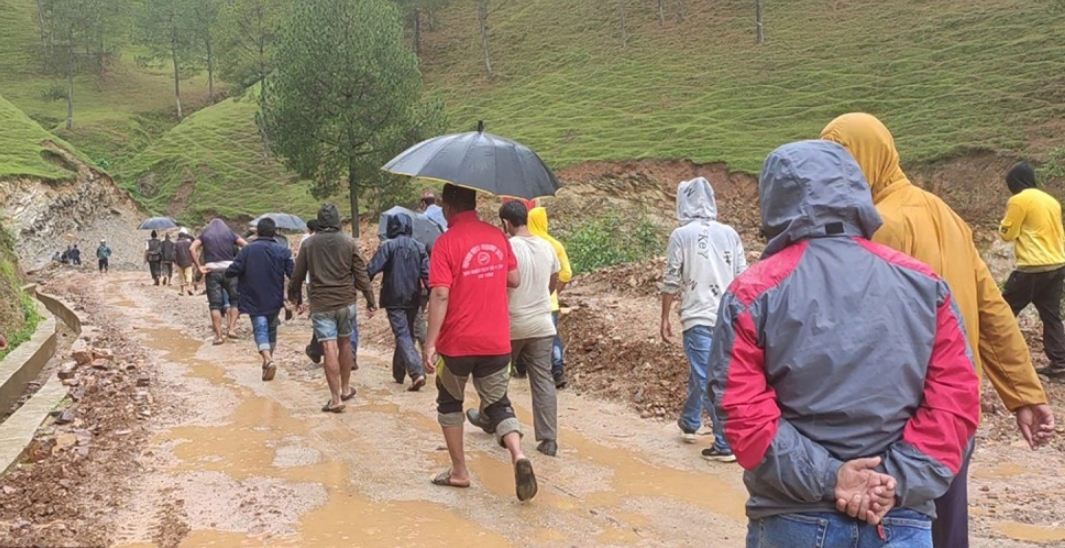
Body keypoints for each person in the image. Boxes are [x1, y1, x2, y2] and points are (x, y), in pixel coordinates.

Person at [711, 140, 980, 548]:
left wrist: (832, 477)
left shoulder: (752, 294)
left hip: (794, 518)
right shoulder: (926, 286)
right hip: (900, 518)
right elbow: (956, 402)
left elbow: (741, 413)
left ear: (774, 200)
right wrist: (894, 479)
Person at [821, 113, 1054, 547]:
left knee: (898, 530)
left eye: (841, 158)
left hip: (903, 419)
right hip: (956, 411)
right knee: (947, 529)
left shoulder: (878, 225)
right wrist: (1024, 393)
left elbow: (858, 333)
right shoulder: (945, 214)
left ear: (868, 159)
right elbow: (992, 310)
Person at [423, 184, 537, 501]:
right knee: (498, 404)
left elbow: (440, 293)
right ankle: (517, 454)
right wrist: (487, 274)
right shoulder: (498, 237)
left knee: (449, 402)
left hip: (457, 343)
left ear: (447, 208)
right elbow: (514, 279)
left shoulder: (445, 243)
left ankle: (459, 471)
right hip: (497, 340)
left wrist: (430, 342)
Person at [660, 177, 745, 462]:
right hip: (728, 318)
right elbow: (742, 277)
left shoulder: (680, 235)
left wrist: (665, 317)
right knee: (705, 372)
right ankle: (689, 421)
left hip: (697, 316)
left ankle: (724, 443)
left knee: (707, 377)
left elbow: (672, 279)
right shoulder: (730, 233)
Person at [470, 201, 561, 457]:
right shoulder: (547, 246)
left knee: (495, 374)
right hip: (542, 323)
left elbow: (498, 281)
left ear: (506, 223)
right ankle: (548, 438)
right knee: (543, 378)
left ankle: (490, 419)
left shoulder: (507, 247)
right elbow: (553, 282)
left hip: (511, 323)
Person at [288, 204, 377, 413]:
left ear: (319, 222)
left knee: (329, 347)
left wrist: (296, 298)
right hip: (346, 301)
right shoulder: (348, 242)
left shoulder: (309, 244)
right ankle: (346, 388)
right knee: (345, 342)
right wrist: (370, 299)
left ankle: (335, 399)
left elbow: (297, 275)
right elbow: (361, 273)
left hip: (321, 303)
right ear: (337, 221)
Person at [999, 161, 1065, 379]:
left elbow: (1007, 233)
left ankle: (996, 356)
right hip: (1056, 264)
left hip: (1032, 266)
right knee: (1051, 315)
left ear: (1015, 183)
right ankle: (1060, 364)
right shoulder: (1050, 200)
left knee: (1004, 310)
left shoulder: (1019, 200)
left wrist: (1005, 225)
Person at [226, 218, 294, 381]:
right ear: (274, 232)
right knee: (271, 329)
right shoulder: (282, 251)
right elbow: (293, 274)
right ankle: (268, 360)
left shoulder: (248, 250)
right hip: (275, 298)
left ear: (258, 232)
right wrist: (293, 297)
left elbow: (233, 270)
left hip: (253, 298)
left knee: (260, 329)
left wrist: (231, 275)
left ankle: (268, 359)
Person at [368, 212, 430, 391]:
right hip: (413, 297)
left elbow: (372, 268)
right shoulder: (419, 247)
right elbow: (428, 275)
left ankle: (416, 372)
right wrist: (434, 295)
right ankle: (398, 372)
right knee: (406, 334)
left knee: (403, 334)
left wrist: (365, 291)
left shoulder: (388, 246)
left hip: (393, 297)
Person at [527, 207, 572, 388]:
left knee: (524, 336)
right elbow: (566, 273)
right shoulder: (555, 245)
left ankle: (521, 367)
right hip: (549, 302)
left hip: (527, 301)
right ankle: (557, 370)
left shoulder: (526, 244)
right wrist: (554, 292)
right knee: (552, 336)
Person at [191, 219, 248, 345]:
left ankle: (219, 336)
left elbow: (192, 248)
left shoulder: (205, 234)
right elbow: (246, 246)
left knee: (215, 305)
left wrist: (199, 266)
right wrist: (240, 264)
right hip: (230, 271)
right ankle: (232, 329)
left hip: (211, 271)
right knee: (235, 301)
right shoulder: (229, 233)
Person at [174, 229, 197, 296]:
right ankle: (189, 288)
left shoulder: (176, 244)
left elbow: (174, 254)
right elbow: (192, 252)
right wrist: (193, 261)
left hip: (179, 262)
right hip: (188, 262)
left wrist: (175, 261)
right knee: (189, 275)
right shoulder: (189, 243)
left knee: (181, 276)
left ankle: (182, 291)